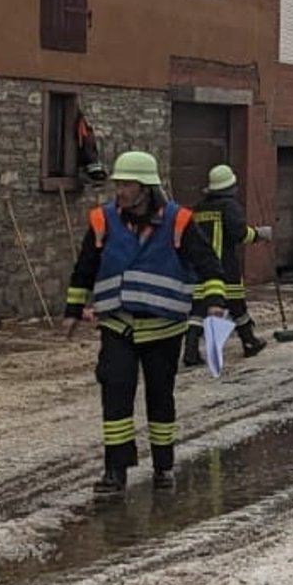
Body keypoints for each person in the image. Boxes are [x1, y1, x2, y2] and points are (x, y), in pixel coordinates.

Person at [64, 151, 226, 495]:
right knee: (116, 393)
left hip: (164, 330)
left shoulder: (179, 221)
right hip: (118, 326)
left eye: (127, 184)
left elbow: (208, 264)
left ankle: (163, 466)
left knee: (160, 397)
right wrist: (73, 310)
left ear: (146, 187)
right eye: (118, 183)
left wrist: (214, 303)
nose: (119, 190)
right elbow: (85, 268)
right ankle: (115, 472)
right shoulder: (102, 221)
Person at [182, 164, 269, 367]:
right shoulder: (230, 206)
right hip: (223, 267)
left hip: (200, 268)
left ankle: (191, 351)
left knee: (198, 309)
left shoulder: (199, 208)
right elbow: (239, 233)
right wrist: (259, 234)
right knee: (237, 305)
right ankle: (249, 341)